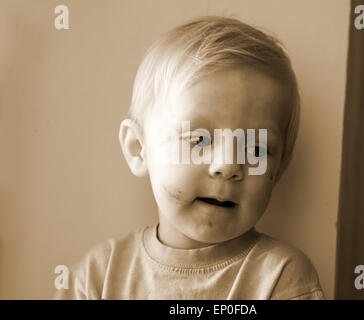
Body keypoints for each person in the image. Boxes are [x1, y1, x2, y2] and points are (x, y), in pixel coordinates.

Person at [55, 16, 325, 300]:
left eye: (255, 150)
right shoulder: (99, 275)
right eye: (198, 140)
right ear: (138, 148)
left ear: (279, 168)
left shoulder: (282, 277)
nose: (228, 166)